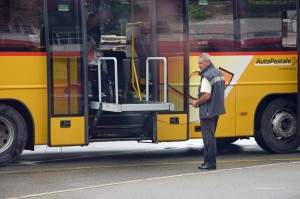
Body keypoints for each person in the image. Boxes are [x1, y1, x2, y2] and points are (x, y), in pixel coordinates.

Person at [190, 53, 226, 170]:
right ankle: (210, 162)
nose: (199, 66)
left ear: (208, 62)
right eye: (198, 63)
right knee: (211, 135)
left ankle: (210, 163)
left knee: (208, 137)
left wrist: (196, 103)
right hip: (216, 110)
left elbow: (206, 96)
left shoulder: (206, 76)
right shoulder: (218, 73)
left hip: (207, 111)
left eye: (201, 63)